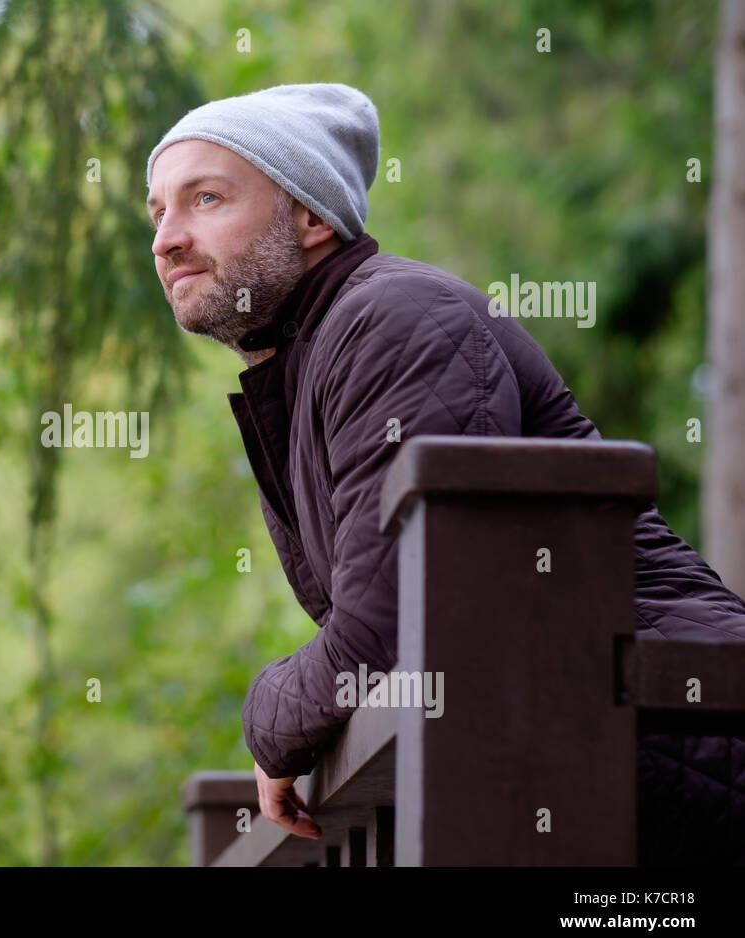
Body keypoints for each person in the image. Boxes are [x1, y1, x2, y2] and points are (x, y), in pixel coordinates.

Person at [145, 82, 745, 865]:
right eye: (157, 211)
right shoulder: (314, 356)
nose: (167, 238)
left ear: (312, 214)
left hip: (678, 753)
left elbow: (395, 625)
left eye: (206, 199)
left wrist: (270, 715)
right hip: (592, 764)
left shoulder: (393, 321)